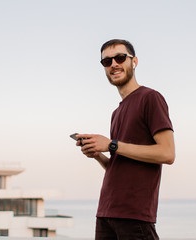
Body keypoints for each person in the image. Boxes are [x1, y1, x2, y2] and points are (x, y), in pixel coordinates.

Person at [75, 39, 175, 240]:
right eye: (106, 61)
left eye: (120, 58)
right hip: (106, 213)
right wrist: (97, 154)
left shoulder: (150, 98)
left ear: (134, 61)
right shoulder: (116, 112)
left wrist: (111, 144)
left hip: (134, 215)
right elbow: (121, 165)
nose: (113, 64)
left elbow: (167, 153)